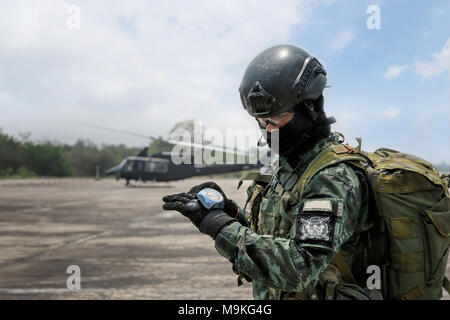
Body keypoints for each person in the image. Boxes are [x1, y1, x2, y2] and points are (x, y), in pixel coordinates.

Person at [162, 44, 382, 300]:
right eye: (261, 122)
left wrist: (219, 227)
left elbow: (300, 267)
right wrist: (229, 214)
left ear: (308, 109)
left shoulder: (331, 177)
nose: (269, 131)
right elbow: (274, 240)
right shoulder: (290, 167)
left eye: (276, 121)